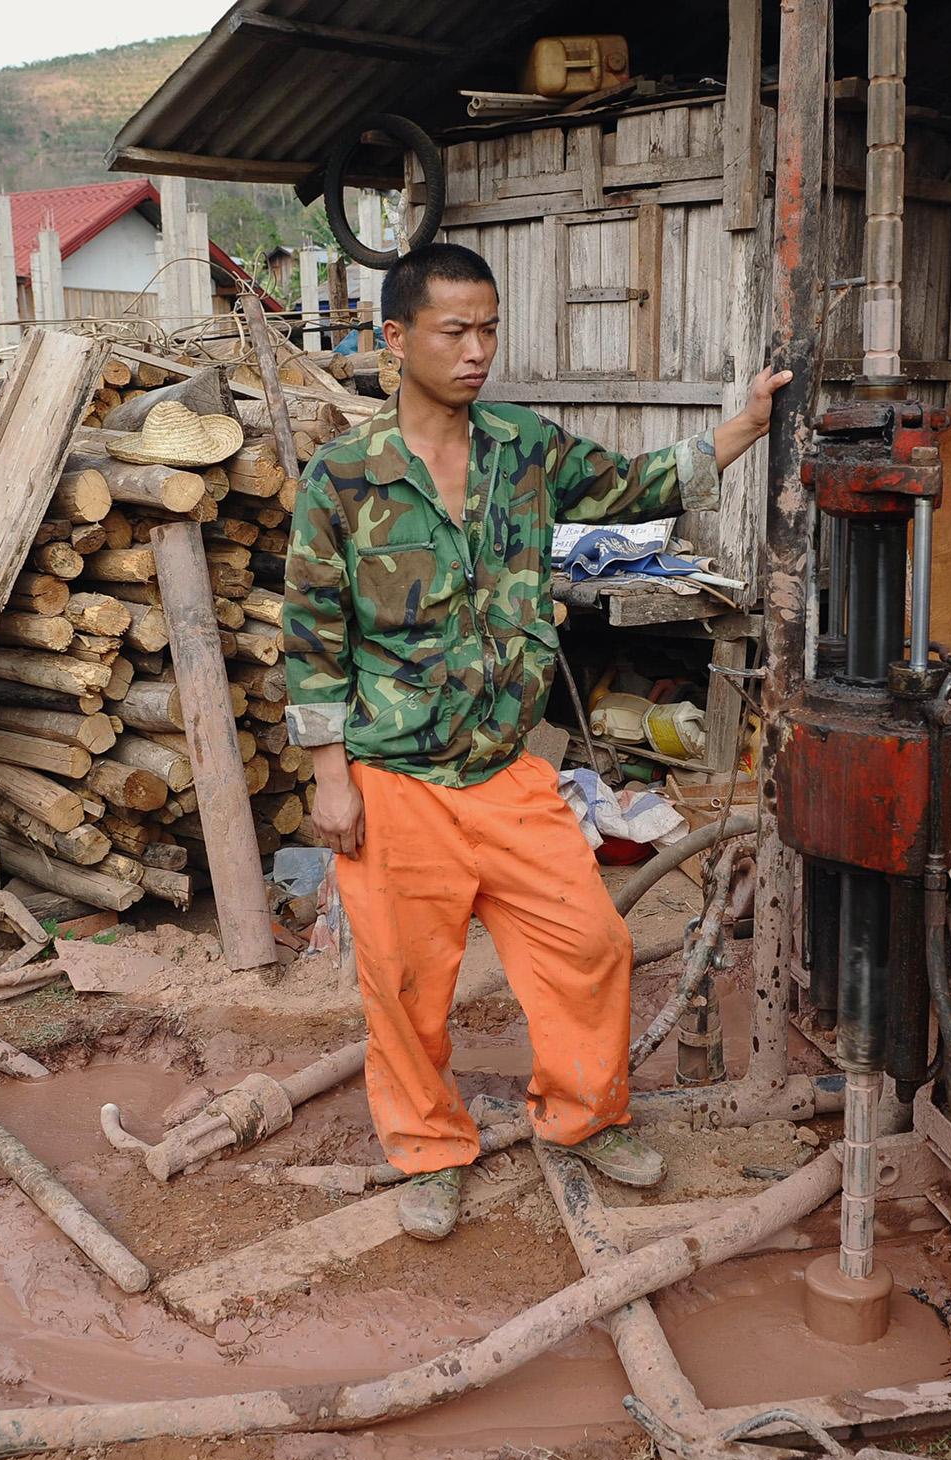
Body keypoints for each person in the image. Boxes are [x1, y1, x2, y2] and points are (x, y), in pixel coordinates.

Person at [281, 242, 789, 1241]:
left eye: (488, 329)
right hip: (396, 782)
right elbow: (310, 637)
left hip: (509, 771)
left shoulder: (523, 448)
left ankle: (584, 1116)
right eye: (453, 331)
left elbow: (638, 486)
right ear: (395, 339)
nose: (477, 351)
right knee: (405, 988)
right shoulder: (345, 477)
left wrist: (744, 427)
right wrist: (329, 779)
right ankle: (428, 1150)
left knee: (588, 944)